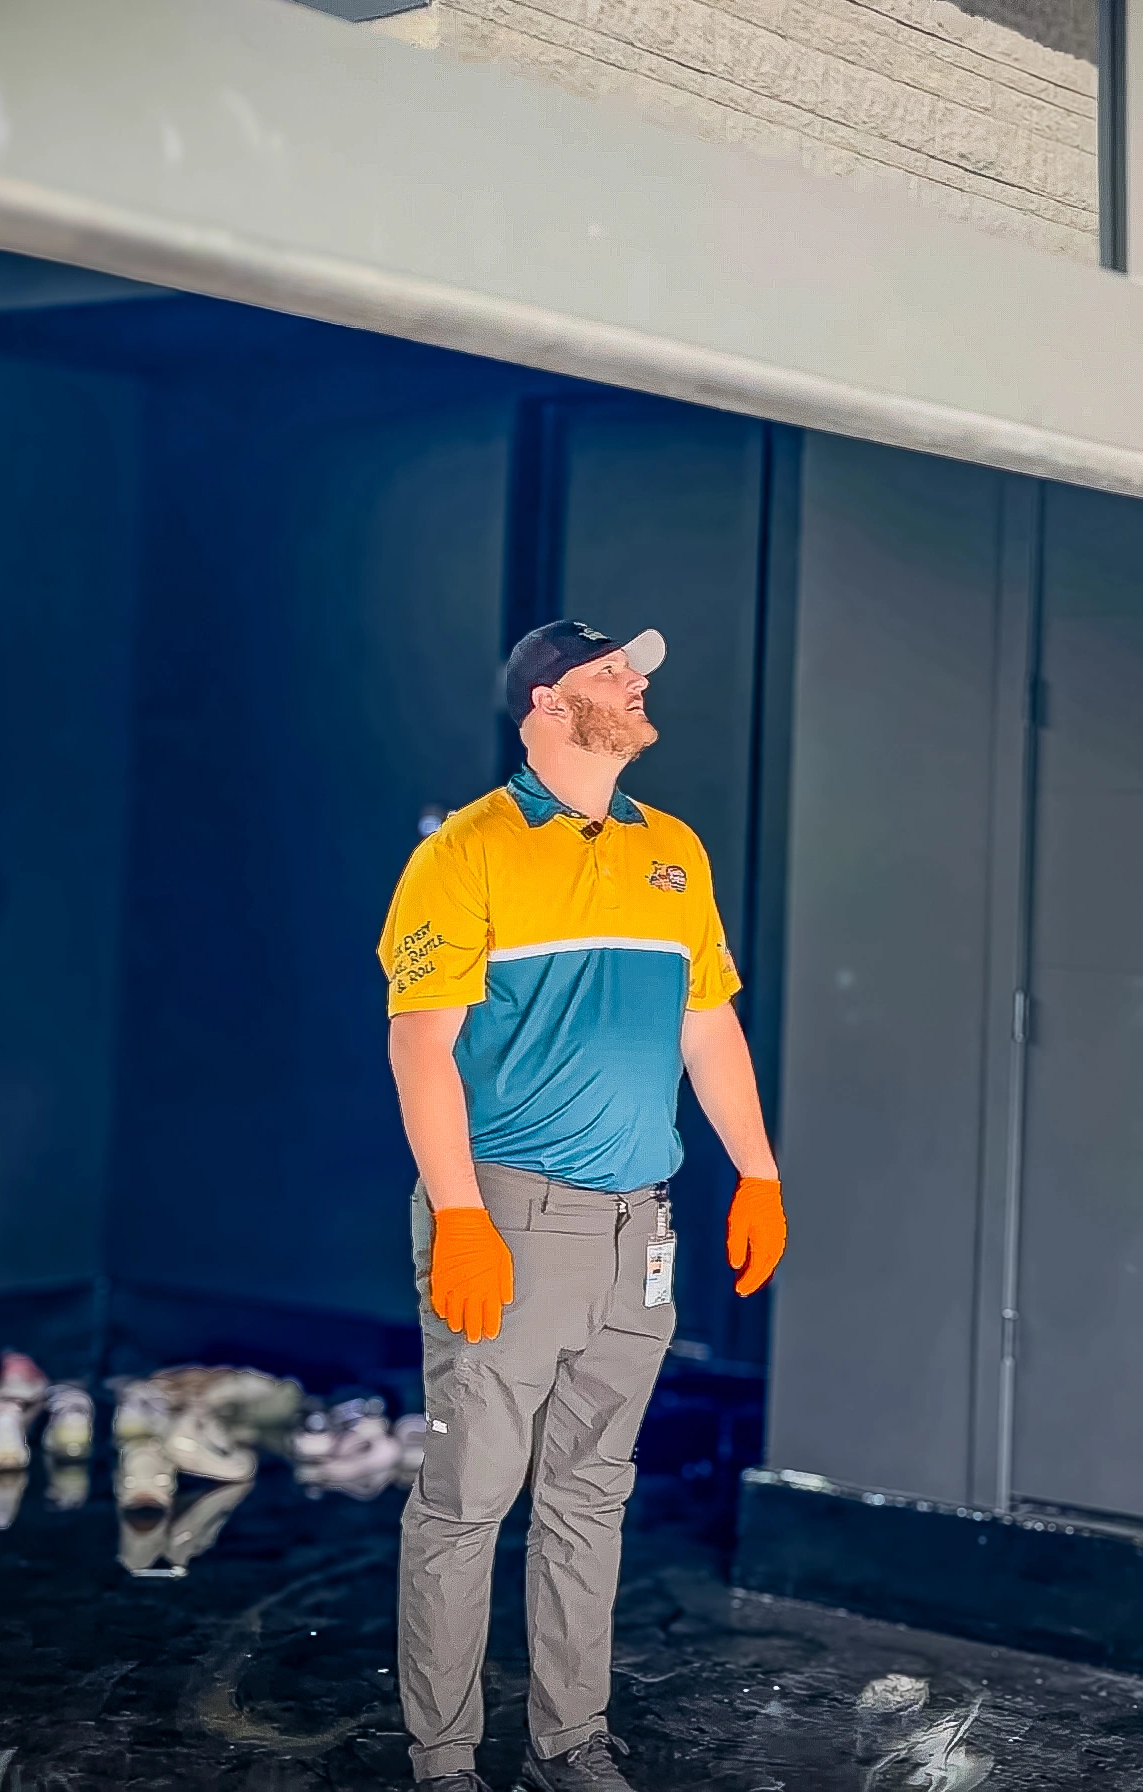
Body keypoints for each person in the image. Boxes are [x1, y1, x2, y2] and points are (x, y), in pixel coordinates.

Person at [379, 618, 787, 1792]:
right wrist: (459, 1215)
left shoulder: (676, 852)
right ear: (549, 704)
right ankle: (446, 1765)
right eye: (613, 671)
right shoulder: (467, 853)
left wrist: (756, 1170)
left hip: (635, 1227)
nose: (637, 682)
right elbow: (422, 1051)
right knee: (466, 1504)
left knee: (591, 1496)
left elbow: (706, 1024)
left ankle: (570, 1747)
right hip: (510, 1219)